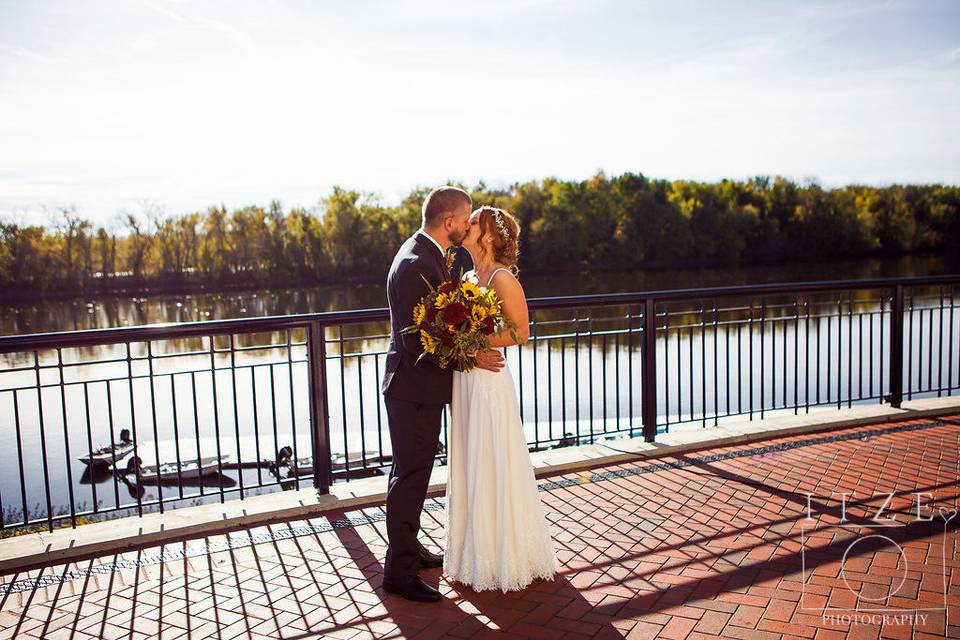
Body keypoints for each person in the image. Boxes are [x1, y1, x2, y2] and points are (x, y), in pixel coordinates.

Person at [380, 186, 504, 602]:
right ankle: (398, 572)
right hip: (412, 390)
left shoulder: (427, 254)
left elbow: (437, 329)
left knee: (414, 472)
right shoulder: (417, 263)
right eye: (466, 218)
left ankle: (409, 551)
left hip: (420, 389)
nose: (470, 225)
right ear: (449, 222)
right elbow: (421, 342)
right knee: (410, 477)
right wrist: (471, 356)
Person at [443, 206, 559, 592]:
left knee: (493, 458)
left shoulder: (501, 278)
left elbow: (522, 331)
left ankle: (503, 554)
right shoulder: (469, 276)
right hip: (466, 382)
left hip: (489, 381)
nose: (468, 224)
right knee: (471, 458)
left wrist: (476, 342)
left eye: (474, 221)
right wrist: (459, 344)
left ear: (489, 235)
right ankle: (472, 549)